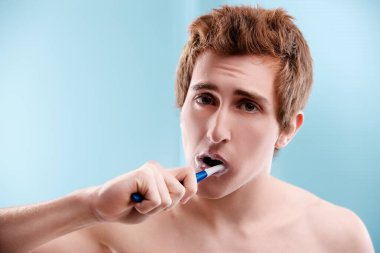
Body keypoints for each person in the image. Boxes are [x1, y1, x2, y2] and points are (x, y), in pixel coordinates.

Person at [0, 5, 374, 253]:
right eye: (205, 99)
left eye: (248, 105)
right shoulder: (120, 229)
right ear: (182, 103)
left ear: (287, 129)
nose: (215, 131)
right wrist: (90, 205)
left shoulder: (338, 238)